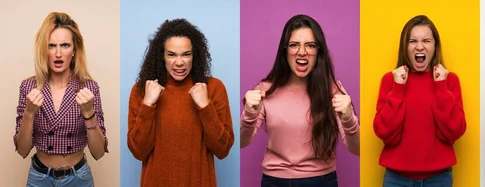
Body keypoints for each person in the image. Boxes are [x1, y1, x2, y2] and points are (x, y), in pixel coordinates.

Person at [240, 14, 360, 187]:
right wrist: (250, 114)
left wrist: (348, 118)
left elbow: (356, 149)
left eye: (310, 45)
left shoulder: (332, 89)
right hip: (275, 181)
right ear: (285, 50)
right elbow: (243, 142)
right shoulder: (265, 89)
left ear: (318, 51)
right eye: (294, 45)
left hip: (322, 181)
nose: (302, 51)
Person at [127, 18, 235, 187]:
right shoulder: (143, 90)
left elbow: (223, 150)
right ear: (161, 56)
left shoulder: (213, 88)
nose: (179, 62)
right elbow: (138, 151)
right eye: (171, 54)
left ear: (195, 55)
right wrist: (148, 104)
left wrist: (205, 106)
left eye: (186, 54)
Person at [14, 12, 108, 187]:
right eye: (51, 46)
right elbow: (22, 150)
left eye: (65, 45)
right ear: (44, 50)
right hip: (39, 178)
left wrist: (89, 113)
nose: (58, 53)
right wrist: (29, 113)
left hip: (78, 178)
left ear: (74, 50)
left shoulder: (89, 88)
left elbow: (98, 152)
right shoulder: (29, 87)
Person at [373, 15, 466, 187]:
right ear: (405, 46)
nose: (420, 46)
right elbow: (385, 133)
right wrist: (398, 89)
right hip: (396, 179)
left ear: (435, 46)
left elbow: (454, 131)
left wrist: (441, 88)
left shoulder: (449, 81)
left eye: (426, 41)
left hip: (439, 178)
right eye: (412, 41)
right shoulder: (390, 80)